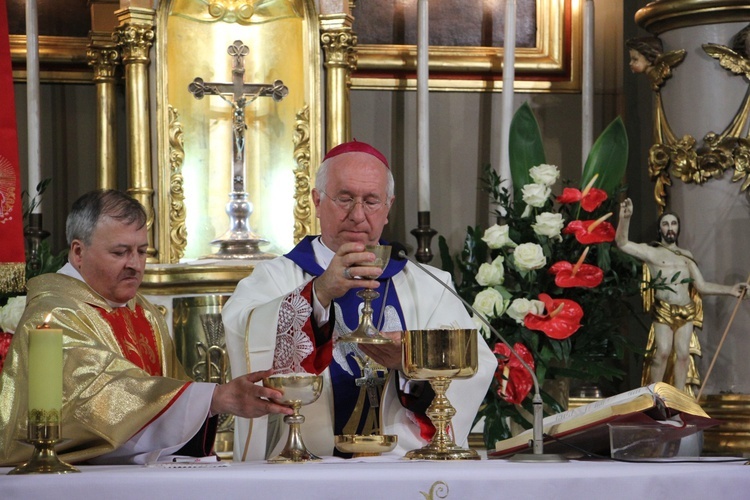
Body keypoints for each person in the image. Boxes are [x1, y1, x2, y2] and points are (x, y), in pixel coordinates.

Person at [222, 140, 495, 460]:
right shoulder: (275, 278)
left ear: (388, 207)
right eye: (345, 198)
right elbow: (245, 332)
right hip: (303, 468)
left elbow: (476, 363)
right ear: (316, 200)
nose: (357, 215)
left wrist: (410, 364)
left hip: (403, 471)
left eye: (371, 201)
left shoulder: (429, 286)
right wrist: (319, 293)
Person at [0, 189, 292, 466]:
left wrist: (209, 403)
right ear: (78, 252)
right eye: (120, 252)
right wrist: (214, 398)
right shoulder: (54, 313)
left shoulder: (143, 312)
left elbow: (170, 388)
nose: (135, 265)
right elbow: (97, 396)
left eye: (141, 251)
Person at [615, 198, 748, 395]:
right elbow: (623, 243)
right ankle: (653, 397)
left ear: (678, 229)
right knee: (662, 352)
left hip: (686, 309)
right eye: (666, 224)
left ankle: (678, 400)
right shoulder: (652, 252)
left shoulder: (686, 256)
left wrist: (730, 290)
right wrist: (625, 219)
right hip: (664, 309)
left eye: (674, 224)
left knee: (684, 355)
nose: (670, 228)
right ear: (660, 229)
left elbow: (701, 286)